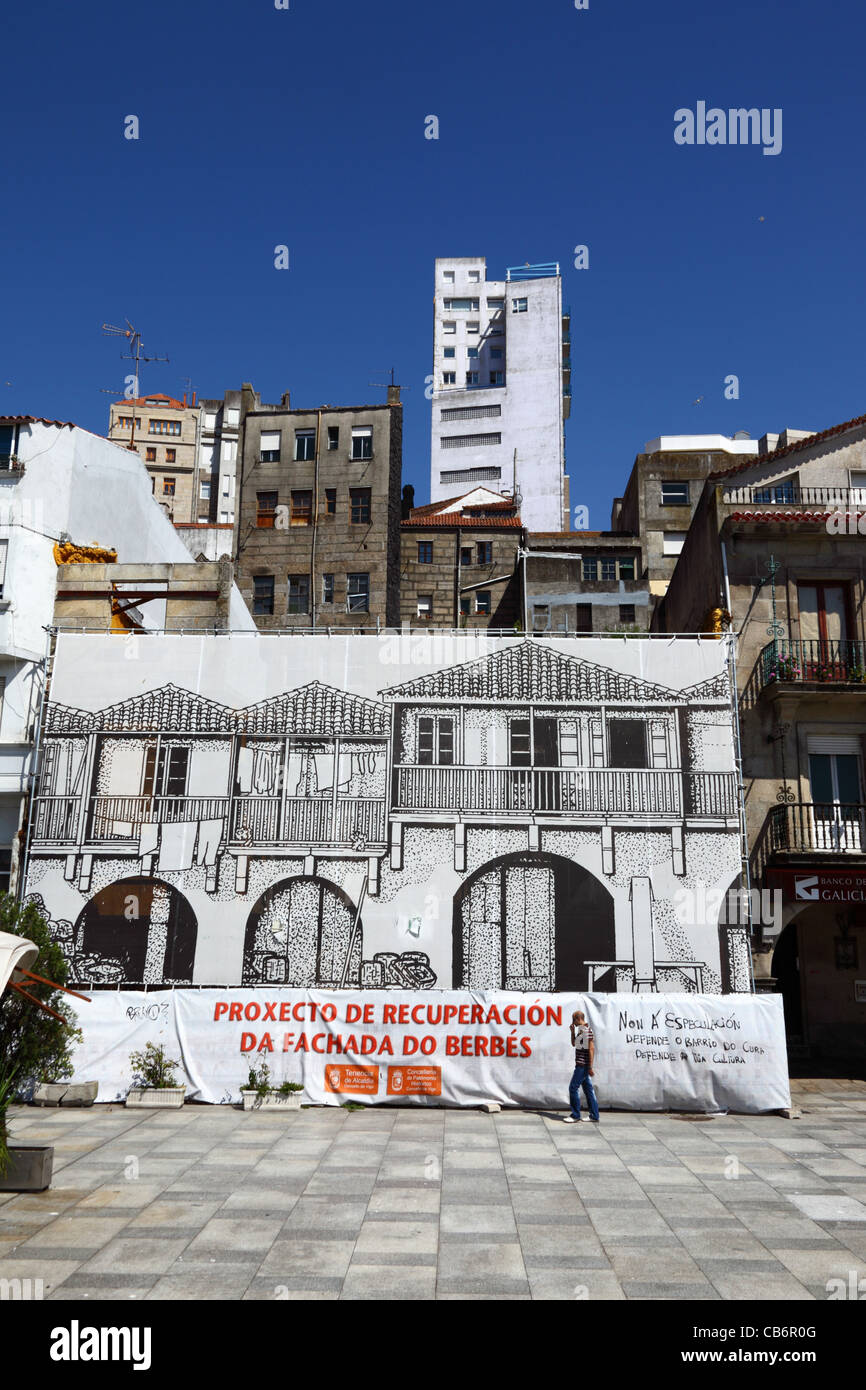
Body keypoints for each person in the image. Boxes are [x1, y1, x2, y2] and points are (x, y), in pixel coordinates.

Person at [563, 1009, 600, 1123]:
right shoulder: (581, 1031)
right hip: (582, 1064)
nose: (573, 1023)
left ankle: (575, 1115)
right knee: (588, 1090)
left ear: (579, 1019)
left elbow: (591, 1048)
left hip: (583, 1065)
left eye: (574, 1020)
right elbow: (574, 1044)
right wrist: (572, 1032)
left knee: (573, 1088)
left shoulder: (586, 1031)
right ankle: (594, 1115)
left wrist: (589, 1067)